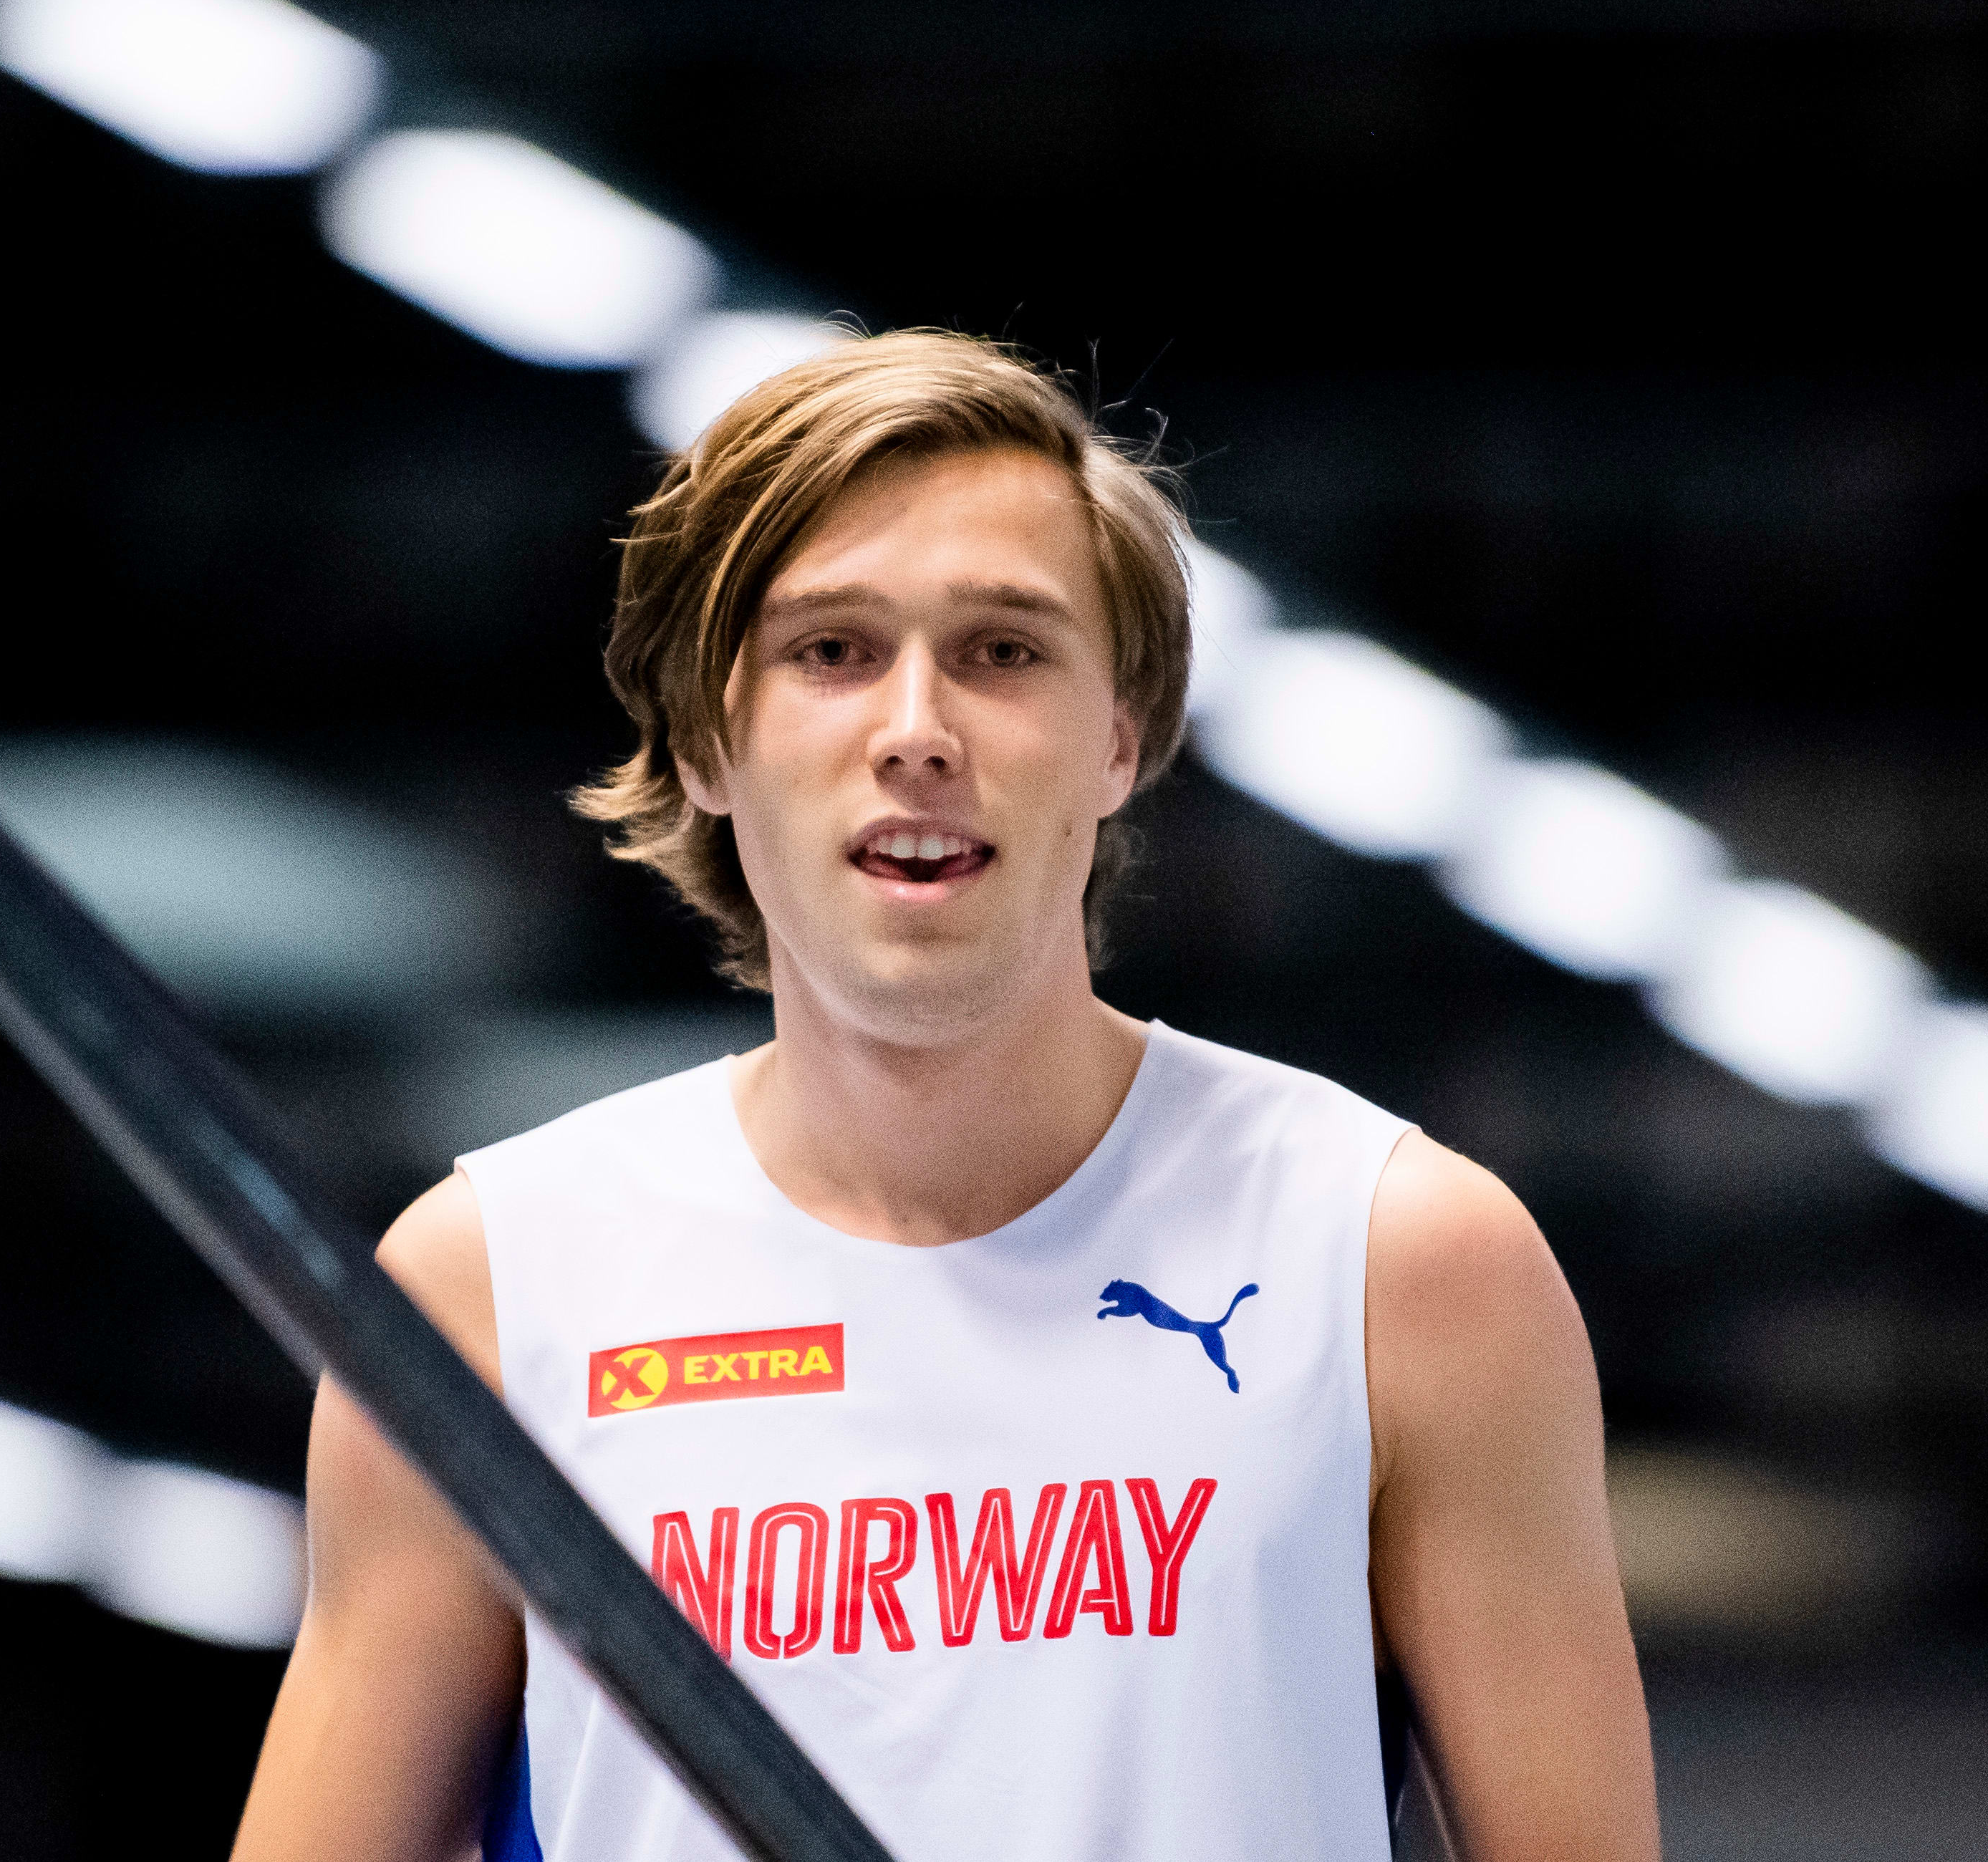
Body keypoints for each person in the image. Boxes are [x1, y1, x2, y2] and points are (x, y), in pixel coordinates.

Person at [233, 331, 1659, 1862]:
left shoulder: (1398, 1261)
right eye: (831, 651)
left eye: (1003, 651)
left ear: (1121, 737)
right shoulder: (487, 1291)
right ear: (706, 739)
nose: (916, 729)